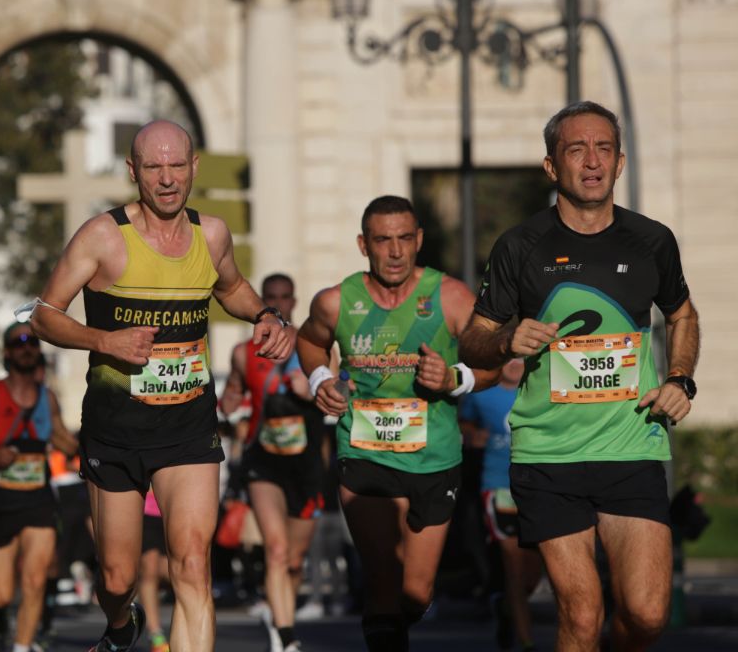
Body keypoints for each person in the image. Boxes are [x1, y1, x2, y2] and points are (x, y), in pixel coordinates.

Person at [27, 119, 295, 652]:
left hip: (189, 426)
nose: (168, 179)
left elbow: (233, 286)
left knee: (192, 562)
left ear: (195, 167)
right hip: (116, 430)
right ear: (133, 172)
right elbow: (42, 315)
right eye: (154, 167)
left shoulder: (211, 233)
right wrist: (105, 341)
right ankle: (121, 626)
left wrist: (264, 314)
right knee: (117, 578)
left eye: (178, 166)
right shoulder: (102, 237)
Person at [458, 100, 701, 651]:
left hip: (631, 444)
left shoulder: (652, 241)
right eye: (576, 149)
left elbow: (682, 313)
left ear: (618, 164)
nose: (592, 161)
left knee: (646, 614)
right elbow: (473, 339)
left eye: (604, 149)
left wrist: (680, 378)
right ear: (551, 166)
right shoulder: (521, 246)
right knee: (582, 613)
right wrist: (503, 340)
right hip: (548, 454)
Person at [296, 195, 497, 651]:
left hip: (434, 457)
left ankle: (394, 621)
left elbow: (493, 363)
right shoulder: (336, 301)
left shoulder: (451, 297)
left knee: (415, 592)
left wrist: (454, 379)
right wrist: (320, 377)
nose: (395, 251)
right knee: (384, 579)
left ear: (419, 240)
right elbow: (308, 341)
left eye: (405, 239)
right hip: (363, 451)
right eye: (383, 240)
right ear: (363, 244)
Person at [0, 322, 79, 652]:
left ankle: (22, 646)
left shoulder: (47, 398)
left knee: (35, 580)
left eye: (33, 342)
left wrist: (92, 448)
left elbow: (63, 439)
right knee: (1, 593)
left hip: (37, 499)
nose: (27, 347)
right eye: (19, 342)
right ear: (7, 353)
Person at [221, 273, 323, 652]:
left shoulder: (315, 343)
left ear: (295, 302)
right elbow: (231, 394)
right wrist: (229, 402)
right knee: (276, 550)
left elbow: (340, 392)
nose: (279, 304)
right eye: (271, 298)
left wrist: (312, 391)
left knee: (294, 560)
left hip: (307, 463)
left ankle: (283, 619)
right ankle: (287, 635)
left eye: (285, 297)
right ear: (262, 302)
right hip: (263, 461)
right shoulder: (243, 352)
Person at [459, 358, 542, 651]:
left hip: (538, 489)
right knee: (515, 570)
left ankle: (505, 608)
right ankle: (527, 643)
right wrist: (471, 435)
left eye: (521, 357)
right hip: (498, 487)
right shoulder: (481, 393)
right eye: (509, 357)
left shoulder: (540, 389)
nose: (515, 364)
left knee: (532, 576)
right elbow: (464, 422)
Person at [138, 491, 170, 652]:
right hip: (145, 509)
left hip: (172, 508)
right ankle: (156, 634)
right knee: (150, 568)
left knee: (170, 572)